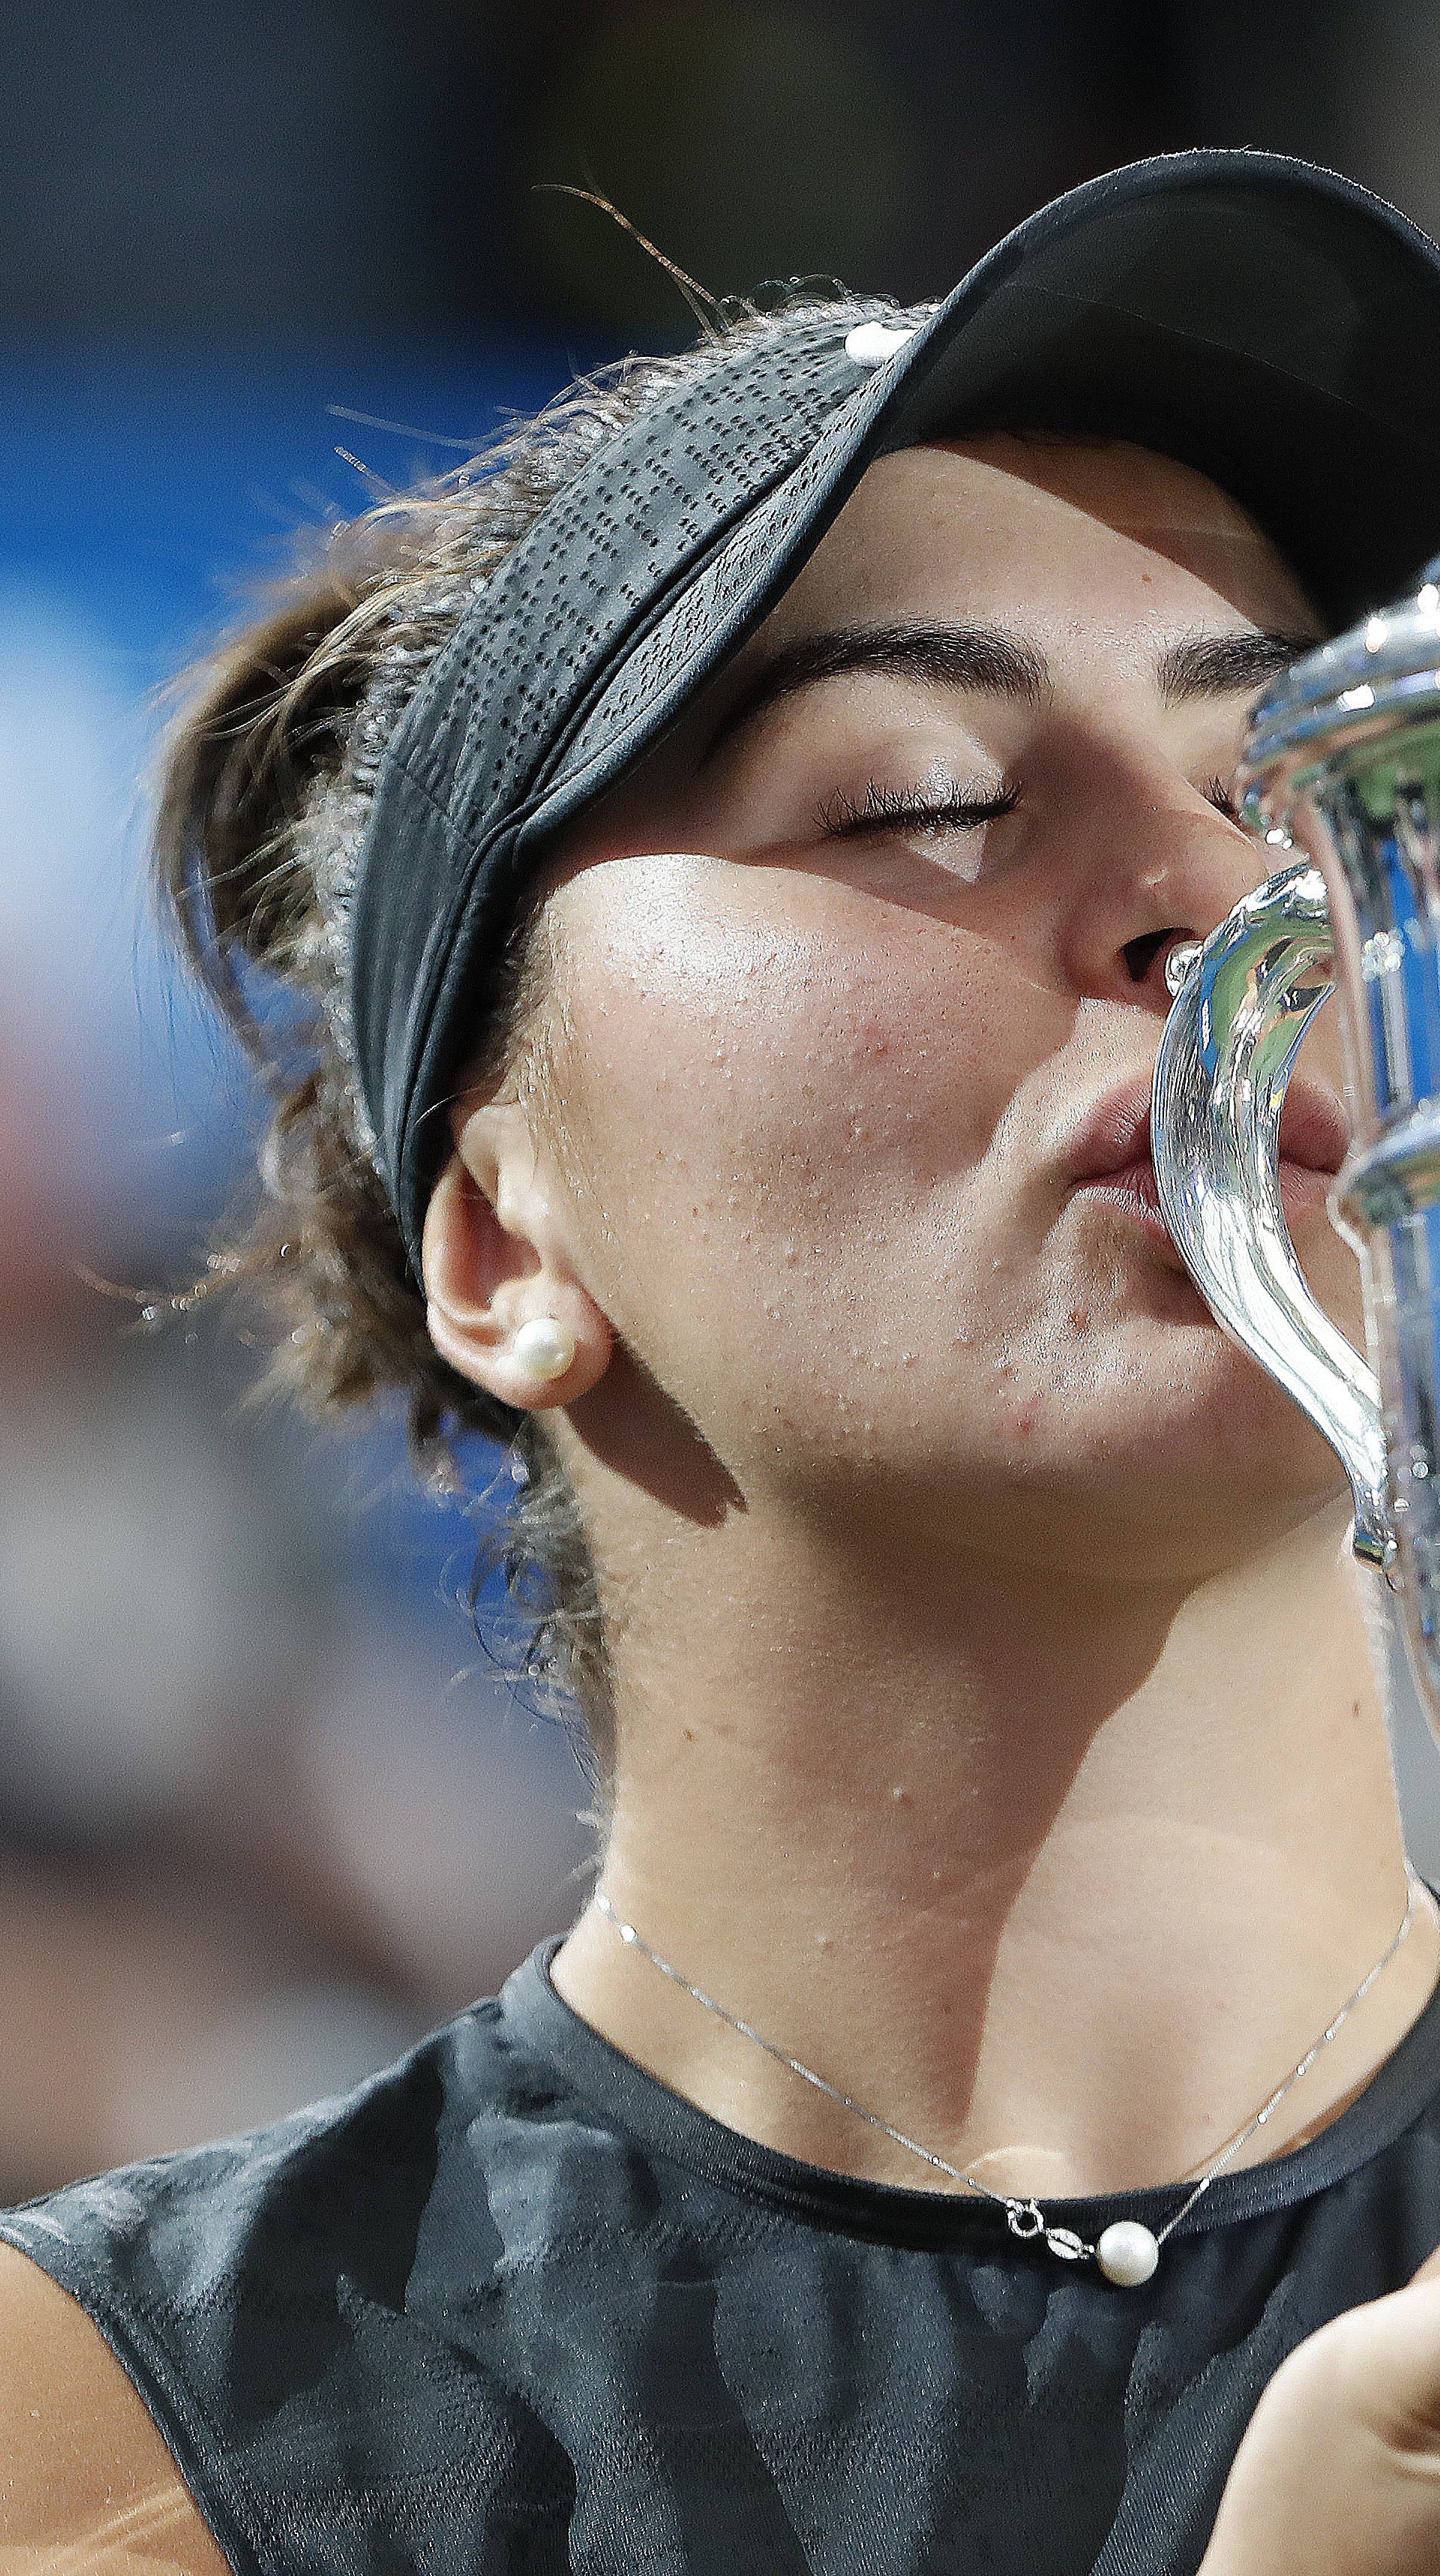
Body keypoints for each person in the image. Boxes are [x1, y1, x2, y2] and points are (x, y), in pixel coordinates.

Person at [5, 146, 1440, 2576]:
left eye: (1280, 793)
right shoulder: (101, 2449)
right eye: (929, 796)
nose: (1212, 904)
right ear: (501, 1238)